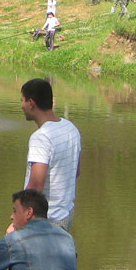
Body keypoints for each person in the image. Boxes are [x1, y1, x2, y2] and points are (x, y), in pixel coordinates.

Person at [19, 78, 82, 231]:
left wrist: (18, 220)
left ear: (31, 103)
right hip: (66, 215)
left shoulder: (41, 137)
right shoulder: (70, 128)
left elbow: (35, 187)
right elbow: (76, 172)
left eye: (22, 100)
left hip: (46, 221)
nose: (21, 106)